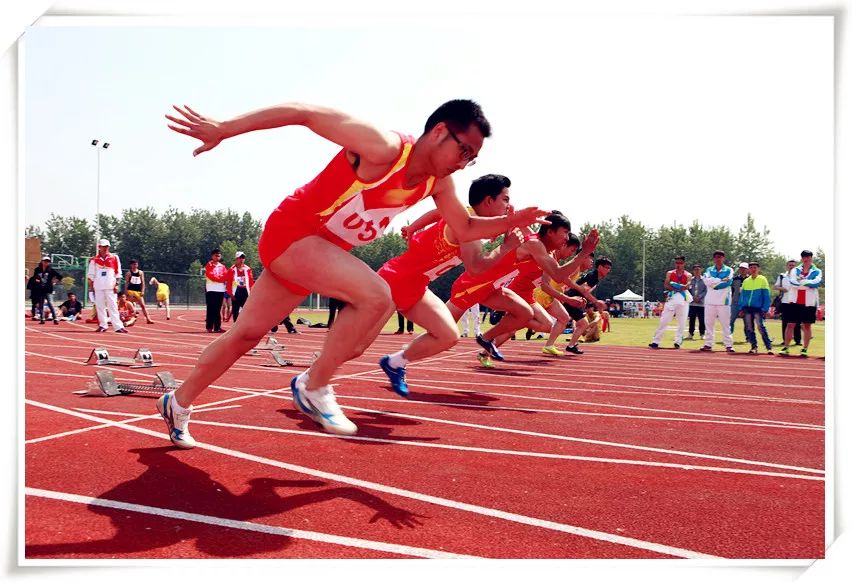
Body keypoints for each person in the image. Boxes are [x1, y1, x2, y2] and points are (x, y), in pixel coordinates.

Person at [160, 98, 546, 445]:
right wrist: (225, 128)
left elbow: (464, 228)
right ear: (440, 131)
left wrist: (515, 221)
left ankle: (178, 402)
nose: (463, 163)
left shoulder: (439, 182)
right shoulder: (384, 147)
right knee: (378, 295)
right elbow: (305, 112)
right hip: (293, 234)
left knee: (245, 335)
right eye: (463, 150)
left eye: (471, 158)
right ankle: (313, 384)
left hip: (319, 254)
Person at [376, 175, 561, 393]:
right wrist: (506, 245)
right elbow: (476, 267)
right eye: (505, 199)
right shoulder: (466, 228)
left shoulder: (466, 217)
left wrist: (413, 227)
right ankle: (324, 373)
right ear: (488, 201)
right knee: (355, 346)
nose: (509, 205)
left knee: (448, 336)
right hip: (394, 280)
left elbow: (440, 213)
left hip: (417, 285)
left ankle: (394, 363)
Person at [530, 236, 581, 355]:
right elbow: (546, 285)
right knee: (524, 322)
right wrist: (567, 298)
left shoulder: (555, 260)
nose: (571, 254)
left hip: (546, 293)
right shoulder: (551, 257)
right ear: (564, 245)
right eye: (571, 250)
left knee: (563, 318)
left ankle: (549, 345)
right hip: (541, 293)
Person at [562, 256, 612, 355]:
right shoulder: (593, 276)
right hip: (571, 300)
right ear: (599, 267)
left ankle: (569, 345)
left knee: (567, 321)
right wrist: (596, 302)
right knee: (582, 323)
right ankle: (570, 345)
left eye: (609, 268)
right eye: (606, 267)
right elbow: (584, 290)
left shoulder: (595, 277)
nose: (608, 270)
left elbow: (583, 290)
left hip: (573, 300)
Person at [779, 250, 823, 357]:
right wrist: (807, 283)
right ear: (801, 258)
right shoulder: (795, 270)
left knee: (807, 325)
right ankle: (786, 347)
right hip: (795, 301)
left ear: (811, 258)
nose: (806, 259)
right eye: (804, 257)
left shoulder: (817, 271)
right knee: (790, 324)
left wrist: (803, 282)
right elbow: (793, 282)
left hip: (809, 302)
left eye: (808, 257)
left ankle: (804, 349)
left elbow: (816, 282)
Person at [649, 255, 693, 349]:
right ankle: (656, 341)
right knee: (664, 320)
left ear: (684, 263)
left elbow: (687, 286)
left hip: (683, 299)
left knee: (682, 322)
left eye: (680, 263)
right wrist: (676, 288)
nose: (678, 265)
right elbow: (666, 285)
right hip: (672, 298)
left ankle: (678, 341)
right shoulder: (670, 273)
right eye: (676, 263)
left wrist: (681, 286)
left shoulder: (688, 275)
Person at [87, 239, 127, 333]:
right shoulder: (94, 260)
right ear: (99, 247)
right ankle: (103, 325)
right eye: (103, 246)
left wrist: (116, 284)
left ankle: (118, 327)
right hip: (98, 286)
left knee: (113, 306)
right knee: (100, 307)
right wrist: (91, 288)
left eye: (107, 246)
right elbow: (91, 275)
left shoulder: (114, 258)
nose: (105, 248)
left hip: (110, 286)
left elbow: (118, 273)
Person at [700, 250, 734, 352]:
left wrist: (714, 282)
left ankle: (728, 345)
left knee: (726, 324)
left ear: (723, 258)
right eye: (716, 257)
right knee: (709, 324)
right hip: (710, 300)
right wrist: (720, 280)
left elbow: (728, 282)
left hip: (724, 301)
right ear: (714, 258)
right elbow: (706, 281)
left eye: (720, 257)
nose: (718, 259)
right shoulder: (709, 269)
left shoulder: (729, 270)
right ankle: (708, 344)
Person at [738, 262, 773, 355]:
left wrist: (765, 308)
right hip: (747, 308)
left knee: (760, 327)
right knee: (749, 328)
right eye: (751, 268)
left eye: (755, 268)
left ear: (758, 269)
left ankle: (769, 347)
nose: (753, 269)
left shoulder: (762, 279)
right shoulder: (746, 281)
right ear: (749, 269)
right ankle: (754, 347)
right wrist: (741, 308)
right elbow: (742, 296)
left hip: (758, 308)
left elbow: (766, 295)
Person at [773, 260, 801, 345]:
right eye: (790, 265)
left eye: (793, 265)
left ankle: (797, 340)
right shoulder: (782, 276)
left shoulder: (799, 276)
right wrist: (782, 289)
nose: (791, 267)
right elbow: (775, 286)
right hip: (785, 301)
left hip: (796, 301)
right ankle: (785, 340)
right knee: (785, 321)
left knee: (797, 322)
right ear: (786, 266)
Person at [30, 256, 63, 325]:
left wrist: (54, 281)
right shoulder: (37, 269)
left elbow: (60, 276)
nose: (46, 263)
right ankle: (42, 319)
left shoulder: (51, 270)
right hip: (40, 289)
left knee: (50, 303)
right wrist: (36, 280)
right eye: (45, 261)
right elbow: (35, 277)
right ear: (42, 261)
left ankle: (55, 318)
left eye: (47, 261)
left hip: (48, 289)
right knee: (41, 304)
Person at [204, 248, 228, 333]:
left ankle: (217, 327)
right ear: (212, 256)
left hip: (220, 290)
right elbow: (210, 275)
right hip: (211, 289)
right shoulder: (209, 265)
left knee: (218, 309)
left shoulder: (222, 266)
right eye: (216, 255)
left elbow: (225, 276)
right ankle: (209, 326)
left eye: (219, 255)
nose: (217, 256)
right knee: (210, 308)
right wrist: (219, 279)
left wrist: (220, 279)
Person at [124, 259, 155, 324]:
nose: (135, 265)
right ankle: (127, 318)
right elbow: (127, 283)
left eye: (136, 264)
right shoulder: (128, 273)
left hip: (138, 291)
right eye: (133, 264)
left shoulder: (140, 272)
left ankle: (148, 319)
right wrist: (126, 292)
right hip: (131, 291)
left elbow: (143, 282)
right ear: (131, 265)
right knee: (128, 305)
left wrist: (143, 290)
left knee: (143, 305)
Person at [228, 251, 255, 322]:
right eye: (240, 257)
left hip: (245, 291)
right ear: (236, 259)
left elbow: (251, 281)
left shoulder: (248, 269)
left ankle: (247, 325)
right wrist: (230, 294)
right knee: (235, 311)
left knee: (248, 310)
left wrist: (251, 291)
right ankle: (236, 328)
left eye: (243, 257)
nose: (242, 259)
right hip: (236, 291)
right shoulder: (231, 269)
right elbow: (229, 283)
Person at [686, 263, 707, 340]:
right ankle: (690, 334)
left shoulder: (705, 280)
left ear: (701, 270)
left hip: (702, 303)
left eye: (698, 269)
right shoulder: (690, 280)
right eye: (695, 270)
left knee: (702, 319)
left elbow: (706, 290)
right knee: (691, 319)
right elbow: (687, 289)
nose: (697, 271)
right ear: (693, 271)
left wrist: (699, 297)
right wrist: (692, 297)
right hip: (692, 303)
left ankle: (702, 334)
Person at [729, 262, 748, 338]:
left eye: (744, 268)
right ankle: (729, 335)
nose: (742, 270)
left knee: (747, 322)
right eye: (741, 268)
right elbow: (730, 289)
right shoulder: (734, 279)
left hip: (746, 303)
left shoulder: (750, 279)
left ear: (747, 270)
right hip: (735, 302)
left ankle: (748, 337)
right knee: (731, 320)